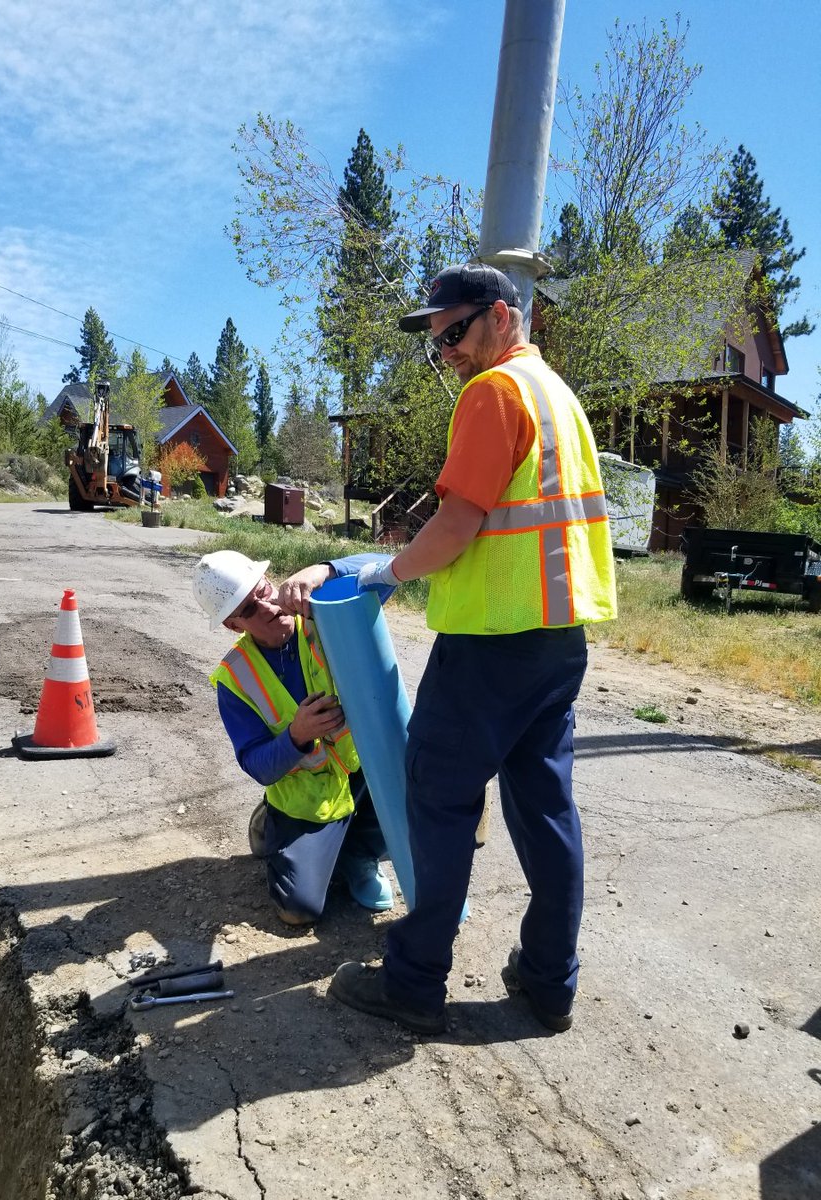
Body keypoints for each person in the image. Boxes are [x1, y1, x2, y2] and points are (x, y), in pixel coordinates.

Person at [322, 261, 618, 1034]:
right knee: (546, 812)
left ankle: (414, 982)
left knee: (439, 801)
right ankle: (550, 981)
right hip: (557, 644)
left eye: (452, 332)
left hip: (491, 648)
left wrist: (387, 571)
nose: (444, 352)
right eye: (434, 341)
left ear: (500, 315)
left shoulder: (494, 394)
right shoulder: (558, 396)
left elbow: (458, 525)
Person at [193, 549, 395, 927]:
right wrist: (296, 736)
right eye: (250, 609)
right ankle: (272, 824)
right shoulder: (235, 679)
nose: (268, 607)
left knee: (417, 790)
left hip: (362, 772)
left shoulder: (323, 618)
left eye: (264, 590)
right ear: (234, 626)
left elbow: (388, 567)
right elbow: (257, 765)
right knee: (299, 909)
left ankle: (358, 855)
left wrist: (323, 569)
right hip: (308, 799)